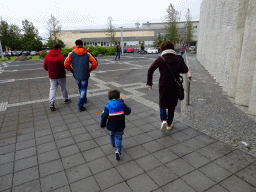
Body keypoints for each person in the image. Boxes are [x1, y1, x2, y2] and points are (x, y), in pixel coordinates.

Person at [147, 41, 188, 132]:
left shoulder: (160, 59)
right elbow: (185, 70)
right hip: (175, 84)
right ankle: (169, 124)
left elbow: (150, 70)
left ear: (162, 49)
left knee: (162, 102)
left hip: (163, 84)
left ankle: (164, 120)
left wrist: (150, 83)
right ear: (172, 48)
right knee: (172, 104)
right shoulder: (178, 58)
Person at [64, 39, 98, 112]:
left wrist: (71, 69)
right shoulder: (87, 53)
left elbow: (66, 64)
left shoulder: (71, 53)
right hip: (85, 73)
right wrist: (90, 69)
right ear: (82, 45)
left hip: (76, 74)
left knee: (80, 86)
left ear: (76, 45)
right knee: (83, 88)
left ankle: (83, 99)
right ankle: (81, 104)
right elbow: (95, 63)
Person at [101, 90, 131, 161]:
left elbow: (104, 116)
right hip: (120, 125)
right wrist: (129, 108)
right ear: (118, 96)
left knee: (112, 134)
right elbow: (128, 112)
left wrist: (103, 124)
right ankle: (117, 150)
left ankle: (113, 144)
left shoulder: (108, 105)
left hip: (111, 125)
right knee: (119, 137)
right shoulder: (122, 104)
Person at [43, 44, 71, 111]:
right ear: (58, 48)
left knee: (52, 88)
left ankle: (51, 102)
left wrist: (49, 70)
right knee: (63, 87)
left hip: (52, 75)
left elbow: (44, 65)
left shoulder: (47, 55)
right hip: (61, 75)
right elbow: (65, 65)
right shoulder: (60, 56)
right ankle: (66, 99)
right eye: (60, 49)